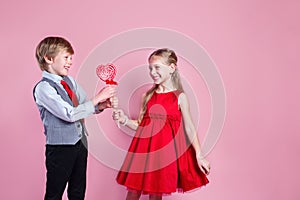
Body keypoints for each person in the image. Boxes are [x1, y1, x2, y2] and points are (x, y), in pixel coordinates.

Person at [113, 48, 210, 200]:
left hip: (165, 155)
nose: (152, 72)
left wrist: (199, 155)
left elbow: (189, 128)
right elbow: (140, 125)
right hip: (144, 153)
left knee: (156, 193)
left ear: (172, 68)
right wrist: (124, 120)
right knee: (133, 192)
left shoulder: (180, 97)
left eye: (157, 67)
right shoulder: (147, 96)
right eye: (150, 68)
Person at [33, 36, 116, 200]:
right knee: (54, 193)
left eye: (71, 58)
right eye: (66, 57)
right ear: (49, 59)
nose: (70, 62)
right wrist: (97, 98)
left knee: (78, 191)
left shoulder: (70, 81)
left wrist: (100, 106)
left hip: (80, 143)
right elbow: (70, 114)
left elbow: (84, 105)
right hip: (60, 148)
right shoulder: (43, 88)